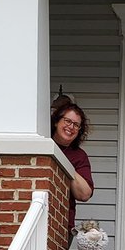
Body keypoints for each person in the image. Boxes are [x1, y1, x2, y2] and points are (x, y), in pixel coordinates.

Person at [51, 93, 94, 234]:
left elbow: (84, 194)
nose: (71, 127)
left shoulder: (79, 156)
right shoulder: (43, 145)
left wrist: (66, 164)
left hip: (62, 225)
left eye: (76, 125)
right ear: (57, 121)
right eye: (67, 121)